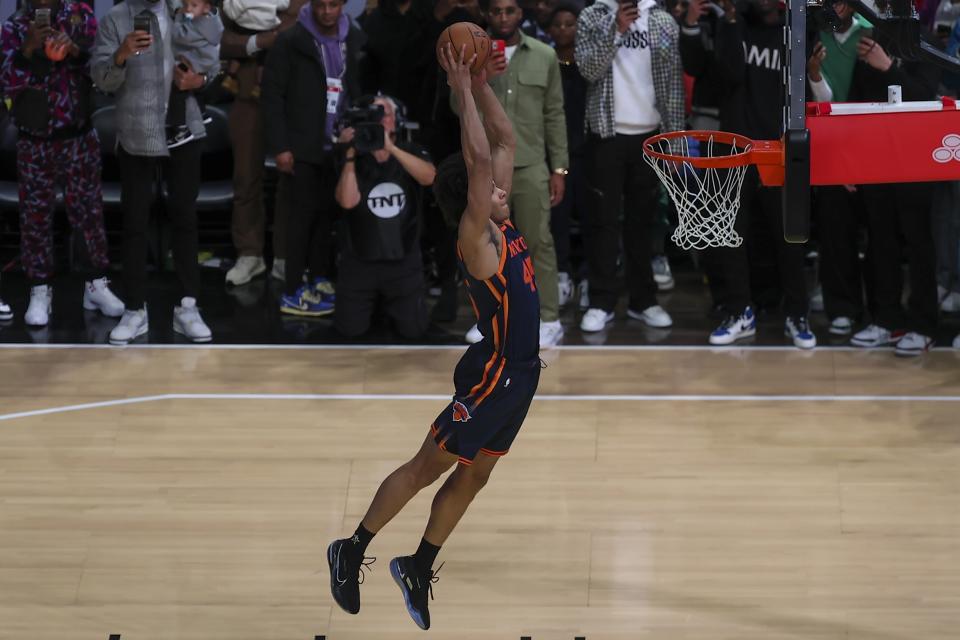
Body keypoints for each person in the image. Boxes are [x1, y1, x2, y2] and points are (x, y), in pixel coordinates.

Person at [326, 44, 539, 630]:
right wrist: (461, 89)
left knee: (477, 473)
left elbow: (504, 142)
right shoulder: (478, 239)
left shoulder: (499, 219)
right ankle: (352, 546)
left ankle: (418, 565)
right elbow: (478, 161)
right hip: (495, 372)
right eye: (490, 189)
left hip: (521, 377)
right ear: (473, 201)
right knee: (430, 466)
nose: (502, 186)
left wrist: (483, 82)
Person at [93, 0, 217, 344]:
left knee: (185, 219)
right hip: (137, 132)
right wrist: (121, 54)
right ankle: (135, 309)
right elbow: (101, 78)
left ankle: (187, 306)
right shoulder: (116, 19)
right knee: (135, 221)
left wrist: (200, 79)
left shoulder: (185, 12)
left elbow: (213, 61)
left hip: (183, 130)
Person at [0, 0, 125, 327]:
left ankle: (95, 284)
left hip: (78, 135)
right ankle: (40, 289)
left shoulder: (81, 16)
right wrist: (28, 49)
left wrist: (74, 52)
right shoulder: (14, 26)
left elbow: (101, 71)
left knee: (89, 214)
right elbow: (7, 82)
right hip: (35, 139)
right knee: (35, 218)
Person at [700, 0, 816, 349]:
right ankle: (740, 311)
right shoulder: (733, 28)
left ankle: (797, 313)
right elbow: (731, 74)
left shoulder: (796, 30)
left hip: (779, 149)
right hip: (735, 148)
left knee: (789, 240)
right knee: (732, 237)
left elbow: (805, 92)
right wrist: (732, 22)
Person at [575, 0, 684, 334]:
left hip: (651, 135)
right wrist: (617, 29)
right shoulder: (594, 15)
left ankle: (643, 301)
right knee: (603, 221)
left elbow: (673, 85)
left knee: (643, 222)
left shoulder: (663, 21)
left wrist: (675, 140)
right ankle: (600, 301)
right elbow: (588, 69)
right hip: (606, 133)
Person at [469, 0, 567, 348]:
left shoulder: (544, 54)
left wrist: (559, 167)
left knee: (538, 242)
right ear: (486, 15)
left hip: (531, 165)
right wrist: (482, 81)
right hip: (484, 169)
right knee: (485, 246)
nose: (503, 17)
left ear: (520, 14)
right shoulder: (472, 55)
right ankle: (489, 318)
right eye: (496, 11)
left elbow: (555, 113)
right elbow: (456, 107)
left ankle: (550, 317)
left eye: (510, 10)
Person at [261, 0, 364, 316]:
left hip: (339, 146)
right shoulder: (291, 40)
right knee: (300, 221)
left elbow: (358, 89)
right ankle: (292, 287)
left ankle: (319, 278)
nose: (327, 11)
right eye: (321, 5)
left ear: (344, 6)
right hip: (302, 146)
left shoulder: (356, 39)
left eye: (334, 5)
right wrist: (281, 146)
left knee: (327, 218)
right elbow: (272, 96)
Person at [846, 30, 941, 356]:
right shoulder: (871, 38)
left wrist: (888, 68)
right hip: (877, 158)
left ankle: (924, 324)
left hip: (915, 160)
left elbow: (927, 97)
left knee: (919, 245)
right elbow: (855, 105)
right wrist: (851, 162)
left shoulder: (925, 41)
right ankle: (887, 320)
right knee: (880, 242)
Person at [333, 95, 435, 339]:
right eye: (374, 114)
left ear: (396, 119)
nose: (380, 120)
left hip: (403, 260)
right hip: (360, 261)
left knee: (414, 331)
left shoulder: (411, 150)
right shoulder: (351, 155)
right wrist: (348, 155)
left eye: (384, 113)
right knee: (349, 331)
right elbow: (347, 201)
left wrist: (391, 148)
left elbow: (429, 177)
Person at [220, 0, 305, 287]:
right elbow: (222, 41)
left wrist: (275, 38)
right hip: (247, 94)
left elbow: (304, 30)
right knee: (245, 177)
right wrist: (258, 41)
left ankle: (284, 256)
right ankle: (249, 254)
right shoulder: (234, 4)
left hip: (291, 95)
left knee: (291, 178)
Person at [806, 0, 872, 336]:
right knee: (835, 230)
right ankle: (842, 306)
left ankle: (878, 311)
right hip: (833, 143)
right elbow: (825, 101)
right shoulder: (818, 34)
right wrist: (815, 74)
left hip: (873, 145)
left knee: (879, 234)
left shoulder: (872, 31)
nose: (839, 7)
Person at [548, 2, 588, 308]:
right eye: (558, 24)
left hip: (588, 150)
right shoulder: (545, 62)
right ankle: (561, 274)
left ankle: (587, 277)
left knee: (591, 218)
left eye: (570, 23)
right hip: (554, 153)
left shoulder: (589, 63)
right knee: (556, 218)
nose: (564, 29)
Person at [167, 0, 223, 148]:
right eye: (186, 5)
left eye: (193, 5)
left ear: (206, 8)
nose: (188, 9)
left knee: (177, 88)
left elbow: (180, 35)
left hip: (200, 61)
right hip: (204, 60)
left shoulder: (200, 22)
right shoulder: (210, 20)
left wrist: (177, 19)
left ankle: (180, 130)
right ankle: (202, 112)